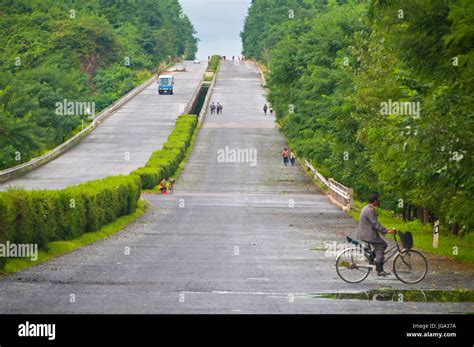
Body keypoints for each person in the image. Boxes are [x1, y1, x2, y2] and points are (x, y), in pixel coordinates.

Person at [357, 193, 395, 276]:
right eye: (377, 200)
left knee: (383, 245)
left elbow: (375, 224)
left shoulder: (367, 208)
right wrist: (386, 231)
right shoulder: (370, 210)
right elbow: (375, 223)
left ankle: (371, 258)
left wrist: (385, 230)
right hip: (368, 234)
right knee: (381, 246)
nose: (378, 202)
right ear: (374, 201)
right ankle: (379, 269)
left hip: (366, 233)